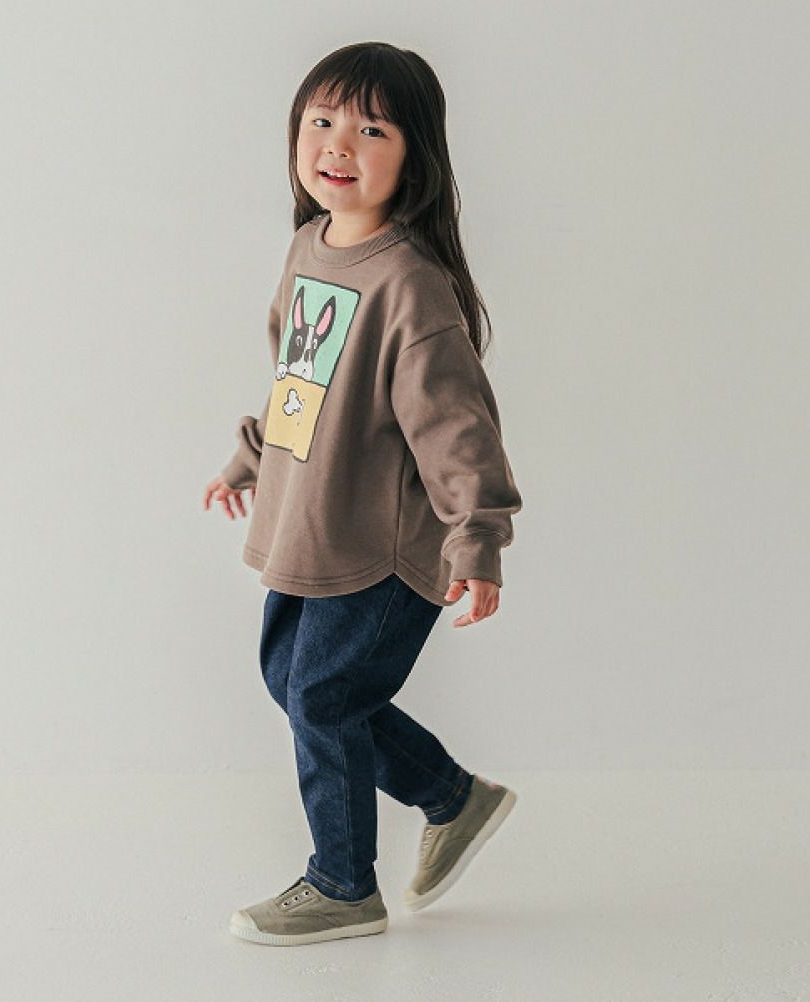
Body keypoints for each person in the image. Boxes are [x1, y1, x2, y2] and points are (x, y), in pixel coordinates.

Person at [204, 42, 522, 947]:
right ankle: (452, 797)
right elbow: (297, 378)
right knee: (293, 683)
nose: (339, 144)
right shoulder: (310, 247)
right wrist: (252, 456)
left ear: (414, 157)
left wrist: (477, 538)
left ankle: (343, 885)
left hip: (381, 542)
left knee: (323, 698)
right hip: (310, 522)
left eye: (372, 130)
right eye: (322, 121)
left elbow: (456, 426)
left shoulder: (410, 286)